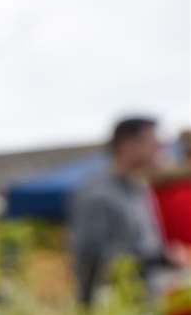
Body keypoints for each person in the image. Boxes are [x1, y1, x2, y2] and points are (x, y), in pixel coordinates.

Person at [69, 116, 188, 303]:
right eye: (153, 142)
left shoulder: (140, 189)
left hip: (148, 303)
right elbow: (92, 258)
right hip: (116, 313)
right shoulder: (96, 194)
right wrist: (161, 258)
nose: (159, 148)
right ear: (127, 145)